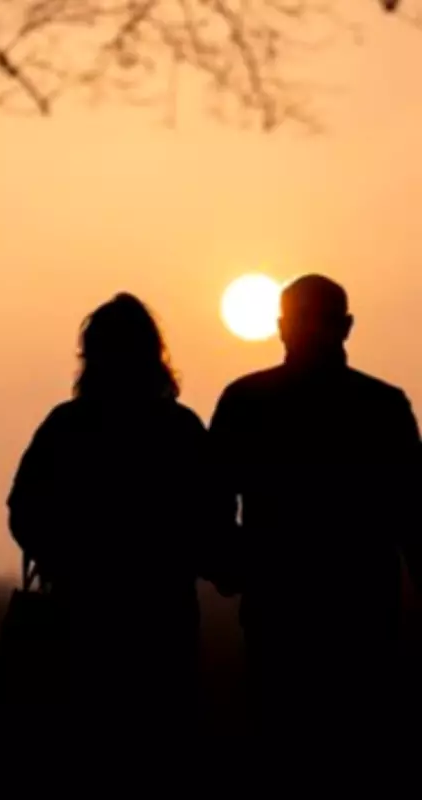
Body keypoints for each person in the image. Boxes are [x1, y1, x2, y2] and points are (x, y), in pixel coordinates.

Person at [209, 274, 422, 740]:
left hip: (278, 614)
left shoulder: (246, 401)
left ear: (280, 326)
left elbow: (210, 509)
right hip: (363, 615)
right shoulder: (383, 408)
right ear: (347, 327)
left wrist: (238, 569)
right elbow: (414, 517)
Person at [6, 293, 230, 726]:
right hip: (162, 618)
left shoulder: (65, 426)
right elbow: (213, 516)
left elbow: (24, 510)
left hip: (80, 613)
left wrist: (64, 559)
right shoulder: (179, 429)